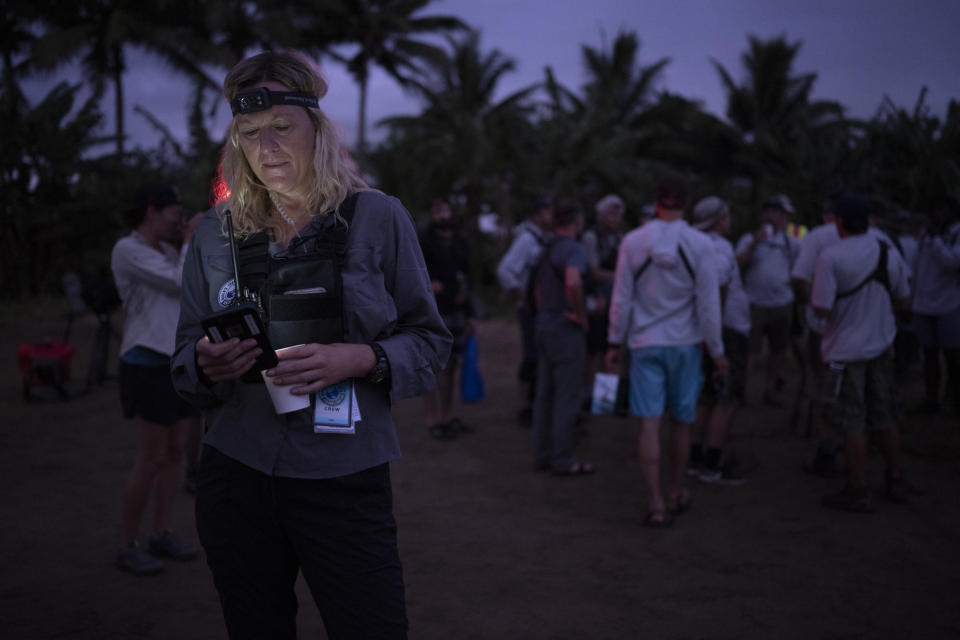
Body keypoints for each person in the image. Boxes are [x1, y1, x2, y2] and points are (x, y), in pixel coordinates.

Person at [171, 51, 451, 639]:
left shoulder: (378, 217)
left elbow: (429, 341)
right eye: (250, 133)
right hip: (236, 471)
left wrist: (362, 357)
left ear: (316, 130)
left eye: (281, 126)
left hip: (343, 475)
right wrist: (205, 361)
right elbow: (182, 358)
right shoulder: (213, 232)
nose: (267, 145)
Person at [606, 175, 727, 527]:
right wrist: (717, 350)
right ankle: (676, 490)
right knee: (682, 421)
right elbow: (708, 305)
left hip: (645, 343)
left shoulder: (633, 241)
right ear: (686, 203)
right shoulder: (701, 244)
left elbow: (622, 298)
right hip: (686, 345)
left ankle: (655, 502)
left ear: (656, 202)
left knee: (648, 422)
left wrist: (614, 341)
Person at [111, 182, 201, 576]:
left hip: (174, 362)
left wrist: (187, 244)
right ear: (152, 209)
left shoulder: (167, 251)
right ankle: (128, 543)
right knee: (149, 458)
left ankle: (161, 532)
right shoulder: (127, 250)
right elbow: (180, 282)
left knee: (176, 452)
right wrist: (190, 239)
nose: (177, 219)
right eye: (173, 212)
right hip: (145, 362)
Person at [811, 193, 912, 512]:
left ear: (839, 222)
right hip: (881, 346)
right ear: (868, 221)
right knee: (884, 415)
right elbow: (904, 300)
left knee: (852, 420)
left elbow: (822, 308)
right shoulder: (886, 250)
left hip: (845, 350)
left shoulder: (831, 256)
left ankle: (858, 488)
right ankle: (895, 479)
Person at [688, 197, 750, 485]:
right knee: (726, 398)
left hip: (702, 330)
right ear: (719, 219)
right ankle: (711, 463)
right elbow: (718, 289)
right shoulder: (720, 248)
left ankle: (695, 457)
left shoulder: (691, 243)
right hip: (726, 330)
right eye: (726, 216)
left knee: (707, 397)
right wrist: (717, 337)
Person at [530, 197, 593, 476]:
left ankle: (542, 454)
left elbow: (537, 290)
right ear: (576, 221)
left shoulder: (546, 248)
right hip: (565, 329)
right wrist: (580, 315)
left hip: (544, 325)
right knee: (567, 395)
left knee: (545, 394)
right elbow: (573, 281)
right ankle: (563, 459)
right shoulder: (573, 249)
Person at [790, 193, 844, 476]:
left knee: (825, 386)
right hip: (864, 330)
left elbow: (798, 278)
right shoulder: (876, 239)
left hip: (823, 326)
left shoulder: (818, 236)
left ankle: (828, 446)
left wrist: (804, 302)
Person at [418, 197, 475, 440]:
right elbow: (413, 272)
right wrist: (428, 284)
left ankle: (448, 415)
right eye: (437, 210)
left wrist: (471, 314)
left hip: (457, 309)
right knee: (432, 365)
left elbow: (466, 278)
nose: (442, 214)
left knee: (452, 365)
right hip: (433, 311)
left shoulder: (460, 242)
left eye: (445, 209)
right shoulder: (424, 242)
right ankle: (432, 419)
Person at [736, 194, 801, 406]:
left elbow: (798, 271)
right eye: (768, 211)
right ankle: (739, 394)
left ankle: (771, 391)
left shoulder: (791, 242)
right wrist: (755, 243)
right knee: (750, 352)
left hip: (782, 303)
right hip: (754, 303)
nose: (770, 216)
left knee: (778, 351)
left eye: (775, 212)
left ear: (784, 216)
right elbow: (737, 264)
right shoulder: (749, 238)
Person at [495, 196, 554, 425]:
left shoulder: (547, 238)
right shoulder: (527, 240)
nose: (551, 216)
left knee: (542, 357)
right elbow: (505, 270)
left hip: (544, 308)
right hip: (530, 309)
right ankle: (525, 407)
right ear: (537, 214)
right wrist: (521, 292)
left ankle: (538, 404)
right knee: (531, 356)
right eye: (548, 211)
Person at [910, 196, 960, 416]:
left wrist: (937, 240)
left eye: (944, 209)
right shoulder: (925, 234)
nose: (939, 213)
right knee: (928, 355)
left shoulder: (956, 233)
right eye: (936, 208)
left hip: (949, 303)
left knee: (952, 355)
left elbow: (952, 263)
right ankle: (931, 399)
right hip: (923, 303)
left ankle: (955, 399)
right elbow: (918, 266)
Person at [582, 194, 625, 409]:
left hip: (615, 304)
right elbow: (593, 272)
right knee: (593, 352)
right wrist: (620, 275)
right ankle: (589, 397)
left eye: (618, 214)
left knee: (610, 351)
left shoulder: (620, 239)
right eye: (612, 213)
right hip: (597, 303)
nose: (616, 218)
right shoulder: (591, 238)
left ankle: (604, 401)